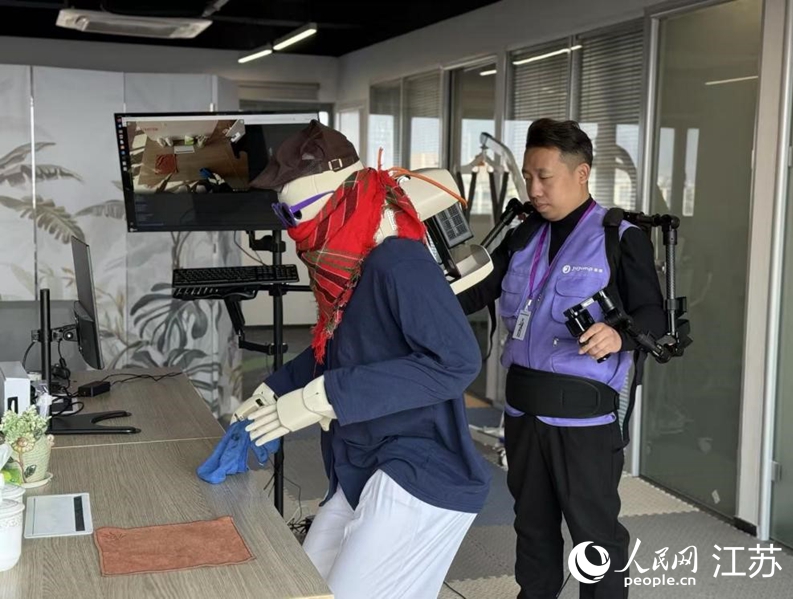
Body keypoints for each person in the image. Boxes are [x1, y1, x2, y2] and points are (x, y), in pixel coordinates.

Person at [233, 120, 491, 599]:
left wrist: (321, 398)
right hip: (362, 460)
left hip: (418, 467)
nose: (292, 232)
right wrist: (276, 390)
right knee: (304, 588)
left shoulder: (397, 262)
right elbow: (341, 346)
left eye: (292, 216)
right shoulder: (349, 264)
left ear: (331, 199)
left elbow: (457, 362)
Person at [458, 118, 667, 599]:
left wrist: (617, 336)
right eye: (527, 176)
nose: (533, 189)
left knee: (594, 535)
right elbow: (477, 292)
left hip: (583, 417)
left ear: (581, 173)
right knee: (531, 527)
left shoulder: (619, 236)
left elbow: (652, 315)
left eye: (544, 177)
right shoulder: (523, 236)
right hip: (522, 409)